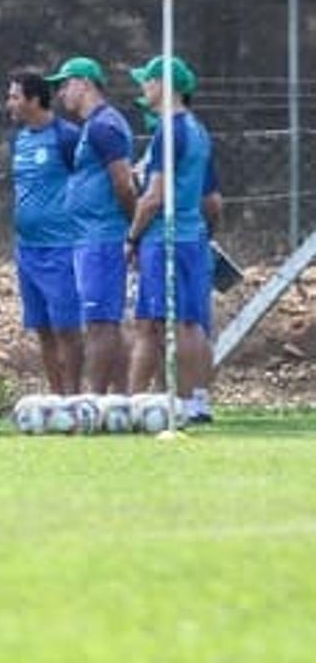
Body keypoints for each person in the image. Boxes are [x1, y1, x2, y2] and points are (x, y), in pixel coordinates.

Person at [124, 56, 216, 423]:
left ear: (164, 85)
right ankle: (195, 400)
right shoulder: (197, 129)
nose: (143, 89)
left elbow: (154, 196)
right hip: (191, 234)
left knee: (180, 324)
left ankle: (187, 403)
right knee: (167, 322)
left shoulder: (170, 129)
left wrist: (132, 237)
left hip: (167, 236)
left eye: (147, 81)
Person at [48, 56, 137, 394]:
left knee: (101, 323)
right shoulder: (94, 126)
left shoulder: (104, 126)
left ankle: (95, 399)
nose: (60, 94)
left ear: (85, 82)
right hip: (89, 236)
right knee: (103, 321)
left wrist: (133, 231)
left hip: (103, 236)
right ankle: (124, 396)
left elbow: (124, 183)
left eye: (65, 84)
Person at [5, 68, 84, 394]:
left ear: (34, 100)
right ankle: (57, 400)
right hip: (27, 250)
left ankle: (75, 398)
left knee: (67, 328)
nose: (8, 103)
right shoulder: (19, 140)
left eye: (14, 96)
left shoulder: (66, 137)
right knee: (43, 329)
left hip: (61, 248)